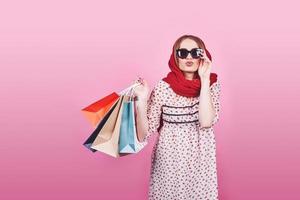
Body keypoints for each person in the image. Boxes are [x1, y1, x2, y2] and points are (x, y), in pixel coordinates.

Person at [133, 34, 221, 200]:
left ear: (203, 56)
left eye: (196, 52)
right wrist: (142, 101)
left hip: (201, 161)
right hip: (169, 160)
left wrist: (204, 79)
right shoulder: (163, 88)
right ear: (175, 57)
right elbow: (143, 134)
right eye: (183, 53)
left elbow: (206, 121)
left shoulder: (212, 84)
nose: (189, 57)